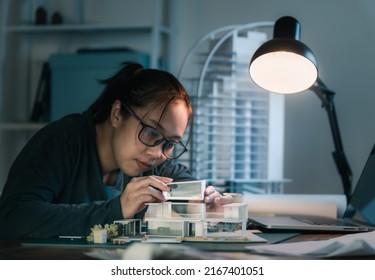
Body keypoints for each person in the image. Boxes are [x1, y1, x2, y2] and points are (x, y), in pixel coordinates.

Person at [0, 62, 233, 239]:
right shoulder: (63, 141)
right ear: (117, 114)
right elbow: (12, 217)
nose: (157, 153)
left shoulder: (155, 160)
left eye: (170, 143)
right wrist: (117, 209)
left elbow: (186, 185)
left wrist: (204, 201)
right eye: (152, 132)